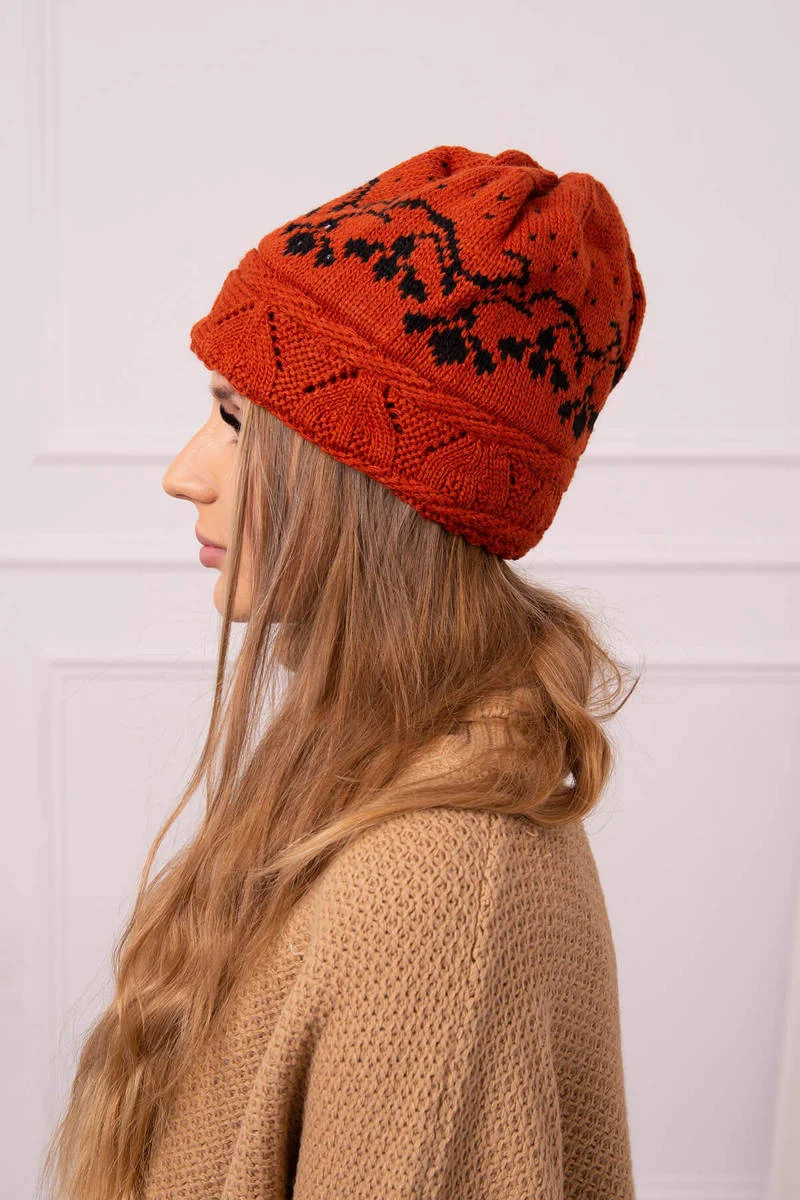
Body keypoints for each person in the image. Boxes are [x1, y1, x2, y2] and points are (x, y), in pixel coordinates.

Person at [40, 143, 646, 1200]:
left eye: (236, 421)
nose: (184, 474)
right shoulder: (371, 783)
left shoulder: (439, 894)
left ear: (375, 482)